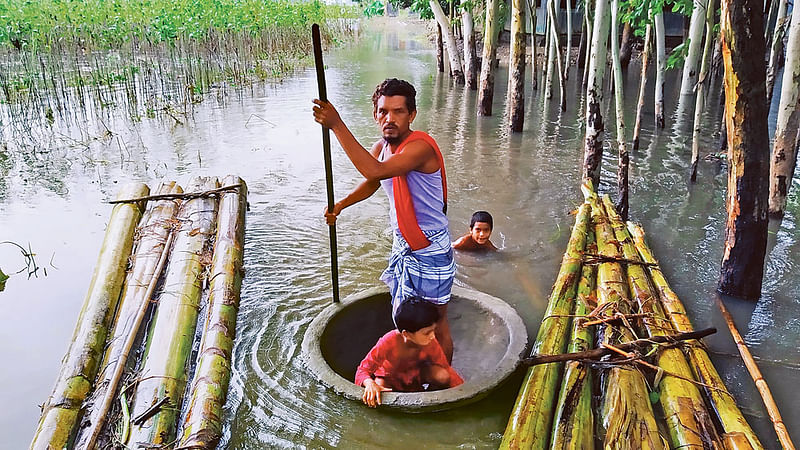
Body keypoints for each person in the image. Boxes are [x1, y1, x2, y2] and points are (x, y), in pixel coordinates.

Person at [313, 78, 456, 362]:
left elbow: (375, 171)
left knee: (435, 322)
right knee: (408, 320)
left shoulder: (420, 148)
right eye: (383, 111)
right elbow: (371, 181)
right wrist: (340, 205)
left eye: (398, 111)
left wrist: (336, 124)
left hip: (429, 246)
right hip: (403, 242)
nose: (389, 118)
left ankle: (444, 380)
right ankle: (415, 368)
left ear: (411, 115)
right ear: (375, 114)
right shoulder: (382, 147)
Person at [354, 297, 464, 408]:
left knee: (443, 375)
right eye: (427, 333)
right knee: (378, 387)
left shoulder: (430, 342)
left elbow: (445, 367)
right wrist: (369, 383)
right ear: (406, 334)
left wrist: (462, 391)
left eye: (433, 330)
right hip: (389, 379)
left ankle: (430, 399)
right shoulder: (388, 341)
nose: (433, 336)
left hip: (416, 376)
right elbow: (363, 370)